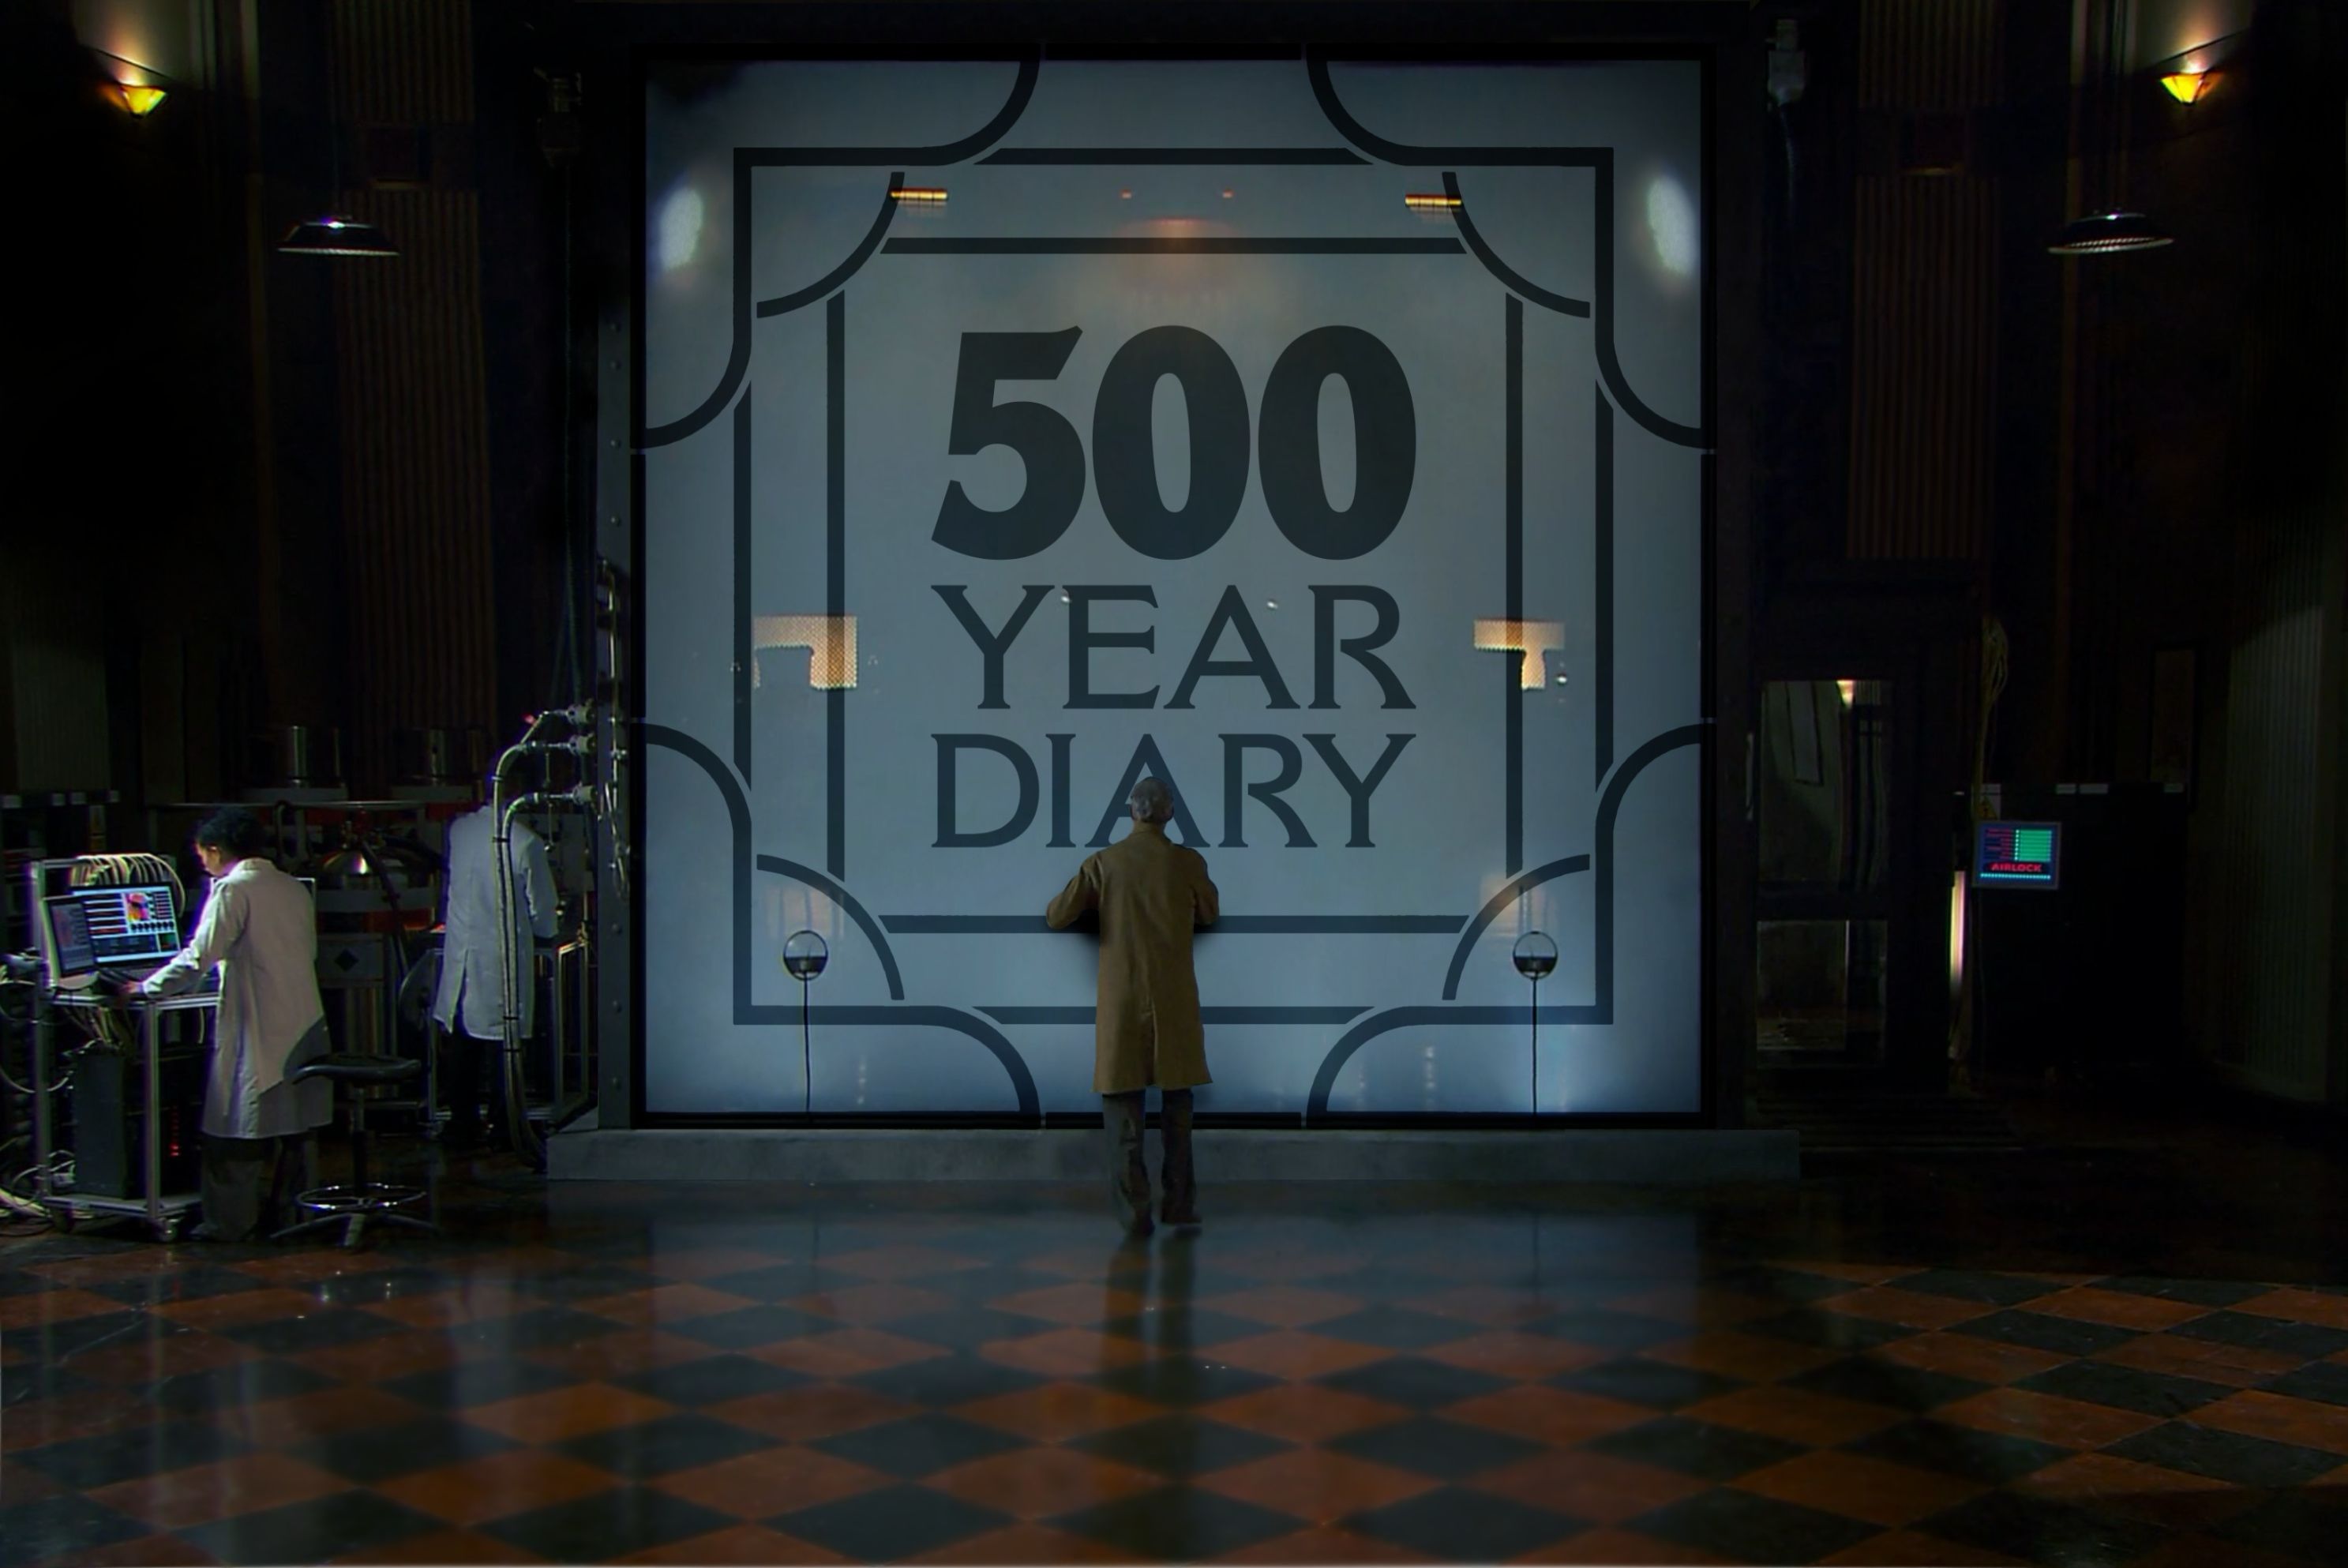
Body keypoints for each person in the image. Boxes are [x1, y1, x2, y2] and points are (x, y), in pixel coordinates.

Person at [129, 808, 332, 1241]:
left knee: (236, 1133)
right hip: (303, 1022)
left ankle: (229, 1224)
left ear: (216, 850)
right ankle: (294, 1214)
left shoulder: (232, 890)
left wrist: (145, 988)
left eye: (202, 855)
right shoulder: (293, 887)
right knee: (294, 1128)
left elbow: (198, 957)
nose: (202, 863)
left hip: (259, 1025)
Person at [1046, 775, 1220, 1234]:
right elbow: (1210, 913)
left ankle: (1133, 1214)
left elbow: (1057, 915)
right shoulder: (1188, 863)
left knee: (1122, 1108)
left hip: (1121, 1000)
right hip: (1174, 999)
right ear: (1169, 814)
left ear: (1131, 812)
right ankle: (1178, 1205)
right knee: (1178, 1109)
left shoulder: (1104, 864)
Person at [432, 792, 557, 1146]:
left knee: (463, 1042)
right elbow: (544, 913)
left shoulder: (460, 831)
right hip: (499, 960)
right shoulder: (525, 842)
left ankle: (463, 1124)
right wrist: (548, 929)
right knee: (505, 1046)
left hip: (463, 955)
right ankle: (506, 1127)